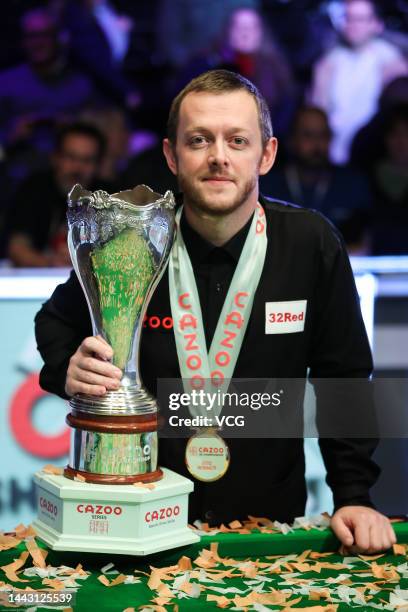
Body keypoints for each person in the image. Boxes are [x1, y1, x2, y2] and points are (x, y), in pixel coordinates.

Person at [35, 69, 395, 553]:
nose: (218, 157)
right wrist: (66, 369)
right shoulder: (134, 241)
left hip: (267, 534)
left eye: (238, 140)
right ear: (171, 155)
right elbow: (55, 322)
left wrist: (354, 495)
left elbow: (345, 378)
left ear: (266, 154)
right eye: (199, 140)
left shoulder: (310, 244)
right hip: (142, 525)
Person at [0, 7, 96, 185]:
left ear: (58, 38)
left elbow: (96, 135)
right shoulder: (5, 83)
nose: (38, 42)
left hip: (71, 172)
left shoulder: (80, 85)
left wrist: (71, 128)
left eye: (45, 35)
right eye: (31, 36)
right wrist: (11, 135)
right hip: (16, 170)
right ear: (23, 41)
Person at [260, 106, 373, 254]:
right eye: (308, 135)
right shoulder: (267, 185)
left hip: (341, 269)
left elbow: (365, 244)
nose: (317, 144)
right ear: (291, 140)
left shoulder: (353, 185)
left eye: (323, 135)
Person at [310, 0, 407, 164]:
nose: (353, 24)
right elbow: (318, 110)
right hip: (333, 151)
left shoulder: (392, 62)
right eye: (348, 18)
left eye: (360, 19)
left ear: (376, 24)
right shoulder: (328, 63)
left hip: (374, 151)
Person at [7, 122, 107, 267]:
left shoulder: (108, 197)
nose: (78, 168)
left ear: (98, 165)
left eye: (87, 160)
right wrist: (51, 262)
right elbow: (16, 249)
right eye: (71, 157)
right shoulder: (33, 190)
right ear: (55, 158)